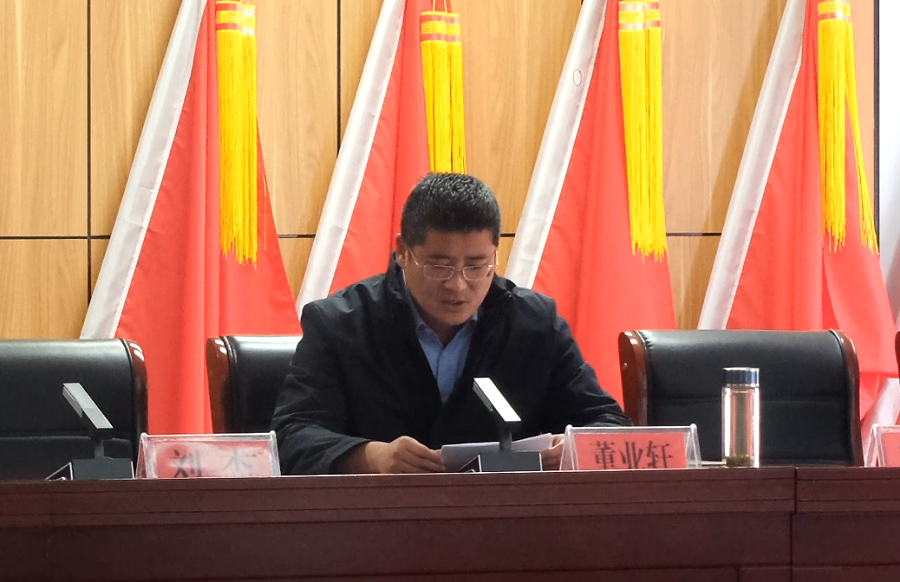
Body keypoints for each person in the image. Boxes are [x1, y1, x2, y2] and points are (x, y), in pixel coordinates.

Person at [272, 172, 631, 475]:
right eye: (439, 266)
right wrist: (370, 457)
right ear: (402, 251)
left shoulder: (535, 324)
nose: (458, 285)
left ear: (495, 254)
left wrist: (572, 448)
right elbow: (290, 437)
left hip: (506, 521)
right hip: (380, 521)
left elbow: (608, 423)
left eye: (476, 266)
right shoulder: (340, 324)